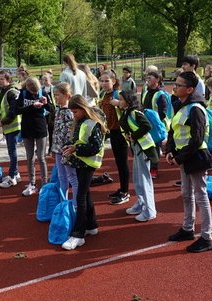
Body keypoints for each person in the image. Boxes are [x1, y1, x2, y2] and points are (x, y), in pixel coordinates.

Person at [165, 71, 212, 253]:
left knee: (201, 195)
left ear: (190, 89)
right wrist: (170, 150)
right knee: (186, 194)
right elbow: (173, 130)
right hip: (185, 157)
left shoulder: (196, 109)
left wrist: (178, 157)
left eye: (178, 85)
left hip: (197, 158)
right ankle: (188, 229)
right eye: (175, 84)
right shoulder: (181, 105)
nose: (175, 87)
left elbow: (197, 139)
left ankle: (207, 237)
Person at [61, 95, 108, 250]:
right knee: (85, 194)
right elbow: (80, 141)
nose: (73, 115)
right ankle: (91, 225)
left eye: (75, 112)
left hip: (88, 163)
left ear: (83, 109)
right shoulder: (81, 122)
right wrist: (71, 146)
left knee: (80, 197)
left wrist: (76, 149)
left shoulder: (92, 123)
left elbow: (95, 147)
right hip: (81, 162)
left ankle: (78, 234)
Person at [117, 90, 158, 222]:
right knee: (138, 178)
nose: (119, 102)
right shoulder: (127, 112)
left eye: (121, 100)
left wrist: (133, 136)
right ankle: (141, 203)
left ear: (128, 101)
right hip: (137, 149)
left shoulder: (135, 113)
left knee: (144, 179)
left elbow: (147, 125)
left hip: (144, 149)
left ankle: (149, 210)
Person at [98, 70, 130, 205]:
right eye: (102, 80)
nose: (104, 83)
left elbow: (131, 108)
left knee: (122, 163)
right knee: (118, 161)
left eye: (107, 81)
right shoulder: (103, 94)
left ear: (114, 81)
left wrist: (120, 104)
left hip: (120, 133)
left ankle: (125, 192)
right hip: (111, 131)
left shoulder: (119, 94)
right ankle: (122, 188)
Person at [16, 77, 51, 196]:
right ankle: (32, 183)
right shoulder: (23, 93)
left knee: (41, 157)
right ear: (28, 88)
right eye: (33, 92)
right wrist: (32, 106)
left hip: (40, 128)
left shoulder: (43, 92)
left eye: (37, 92)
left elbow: (52, 109)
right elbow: (17, 110)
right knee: (30, 157)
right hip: (26, 128)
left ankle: (45, 184)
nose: (35, 94)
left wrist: (46, 104)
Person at [0, 70, 22, 188]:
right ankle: (15, 174)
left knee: (12, 151)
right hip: (8, 126)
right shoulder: (3, 90)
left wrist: (2, 122)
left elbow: (13, 111)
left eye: (2, 79)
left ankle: (12, 177)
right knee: (11, 151)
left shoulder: (12, 92)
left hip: (13, 125)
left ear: (8, 79)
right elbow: (2, 106)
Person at [52, 82, 78, 200]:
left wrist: (67, 148)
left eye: (58, 95)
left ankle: (76, 204)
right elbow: (56, 131)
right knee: (61, 176)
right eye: (54, 95)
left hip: (66, 150)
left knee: (72, 177)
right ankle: (63, 201)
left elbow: (69, 133)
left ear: (67, 95)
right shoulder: (58, 110)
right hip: (57, 148)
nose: (55, 97)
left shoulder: (69, 112)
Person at [140, 71, 169, 178]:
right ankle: (147, 166)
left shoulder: (160, 95)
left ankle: (154, 169)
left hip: (155, 126)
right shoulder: (146, 92)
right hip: (145, 124)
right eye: (147, 77)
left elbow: (163, 112)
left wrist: (154, 121)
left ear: (157, 79)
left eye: (150, 77)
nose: (147, 79)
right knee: (146, 145)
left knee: (155, 147)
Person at [41, 72, 56, 154]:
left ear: (50, 80)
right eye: (43, 80)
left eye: (46, 80)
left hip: (51, 112)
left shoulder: (53, 89)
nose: (44, 81)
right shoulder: (41, 89)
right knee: (43, 131)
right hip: (43, 112)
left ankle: (50, 148)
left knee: (51, 131)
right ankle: (41, 148)